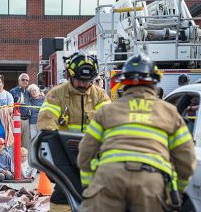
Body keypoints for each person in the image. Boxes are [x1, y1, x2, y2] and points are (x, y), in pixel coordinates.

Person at [77, 54, 197, 211]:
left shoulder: (106, 111)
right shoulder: (170, 112)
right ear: (154, 82)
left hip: (109, 178)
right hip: (151, 183)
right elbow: (187, 161)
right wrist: (175, 192)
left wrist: (92, 186)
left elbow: (85, 155)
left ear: (124, 84)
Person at [37, 52, 111, 210]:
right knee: (63, 193)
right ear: (70, 74)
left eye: (88, 80)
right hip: (65, 154)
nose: (84, 84)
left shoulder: (100, 96)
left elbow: (110, 122)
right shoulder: (57, 94)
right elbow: (46, 122)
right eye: (80, 80)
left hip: (92, 156)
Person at [10, 73, 31, 149]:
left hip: (27, 120)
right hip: (17, 119)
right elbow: (10, 106)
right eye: (23, 80)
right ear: (19, 81)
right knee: (16, 143)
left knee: (25, 145)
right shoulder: (13, 91)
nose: (25, 81)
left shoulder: (28, 92)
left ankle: (24, 161)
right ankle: (13, 160)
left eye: (27, 80)